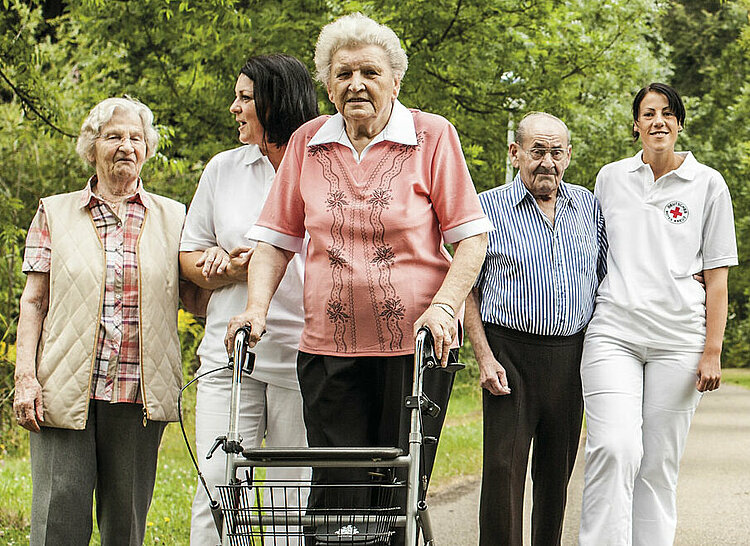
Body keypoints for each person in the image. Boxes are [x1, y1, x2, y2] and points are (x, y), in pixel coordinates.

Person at [225, 12, 491, 544]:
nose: (356, 85)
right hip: (329, 349)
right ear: (327, 85)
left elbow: (471, 239)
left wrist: (444, 306)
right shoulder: (308, 142)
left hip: (415, 349)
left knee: (397, 490)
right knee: (335, 499)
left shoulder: (431, 136)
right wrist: (255, 308)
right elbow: (276, 241)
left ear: (396, 80)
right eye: (343, 74)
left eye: (369, 72)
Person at [12, 96, 185, 546]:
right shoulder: (55, 213)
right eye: (113, 137)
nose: (126, 146)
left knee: (125, 524)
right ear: (92, 148)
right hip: (64, 388)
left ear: (147, 148)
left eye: (135, 137)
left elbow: (198, 293)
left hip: (136, 391)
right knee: (58, 517)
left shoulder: (175, 218)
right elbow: (33, 301)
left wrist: (233, 262)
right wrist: (25, 376)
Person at [579, 83, 737, 545]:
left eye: (667, 113)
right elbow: (591, 250)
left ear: (680, 123)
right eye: (648, 114)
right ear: (636, 125)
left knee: (657, 465)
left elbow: (718, 279)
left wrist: (712, 351)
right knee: (614, 448)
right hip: (614, 333)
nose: (658, 122)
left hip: (679, 341)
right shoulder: (610, 177)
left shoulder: (708, 184)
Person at [179, 54, 319, 545]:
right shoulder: (224, 169)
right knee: (218, 489)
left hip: (301, 359)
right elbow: (189, 256)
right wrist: (225, 263)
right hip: (229, 355)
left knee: (288, 498)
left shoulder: (324, 168)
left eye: (244, 98)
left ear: (275, 101)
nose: (234, 108)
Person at [464, 112, 607, 546]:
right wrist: (484, 358)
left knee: (555, 476)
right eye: (537, 151)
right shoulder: (485, 208)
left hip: (570, 356)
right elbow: (465, 289)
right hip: (508, 354)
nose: (547, 162)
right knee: (504, 472)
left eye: (556, 152)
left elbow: (608, 276)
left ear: (568, 156)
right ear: (515, 154)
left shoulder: (588, 205)